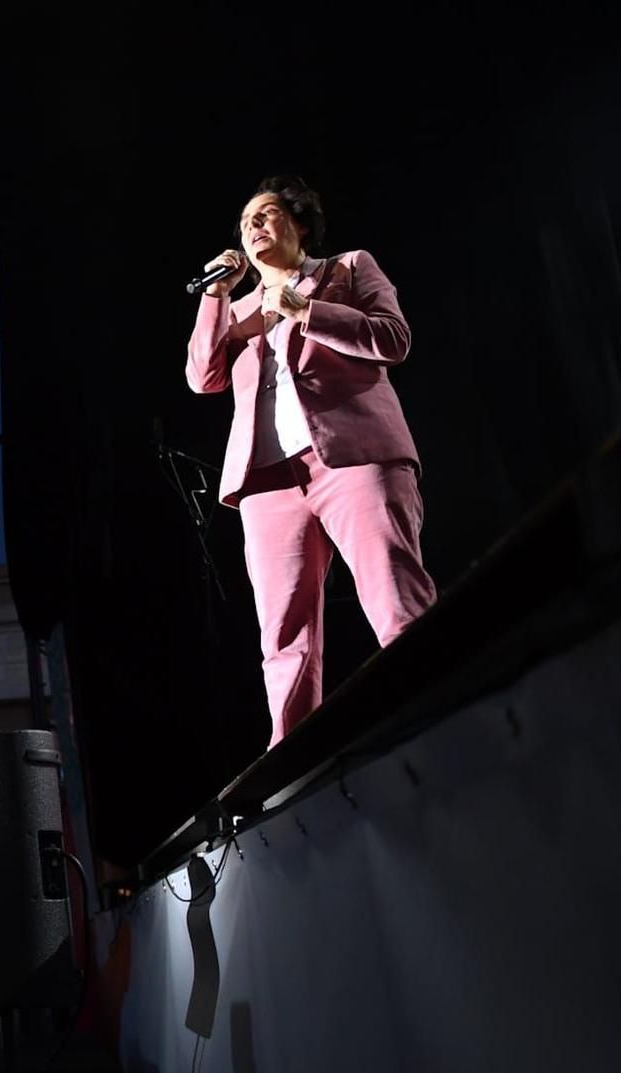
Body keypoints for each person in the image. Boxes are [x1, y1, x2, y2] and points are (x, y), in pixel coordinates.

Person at [186, 175, 438, 746]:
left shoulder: (346, 269)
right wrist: (215, 295)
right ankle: (294, 759)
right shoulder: (238, 308)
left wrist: (306, 310)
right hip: (269, 481)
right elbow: (203, 377)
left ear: (300, 224)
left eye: (268, 214)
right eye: (246, 221)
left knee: (394, 593)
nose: (254, 226)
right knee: (283, 634)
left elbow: (392, 339)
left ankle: (433, 703)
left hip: (352, 457)